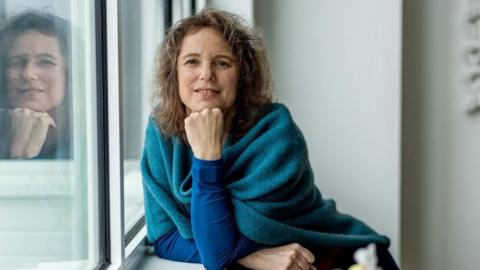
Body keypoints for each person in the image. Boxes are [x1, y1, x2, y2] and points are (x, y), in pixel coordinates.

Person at [141, 9, 399, 270]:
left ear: (242, 75)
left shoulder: (275, 132)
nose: (206, 73)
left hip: (340, 258)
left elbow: (218, 255)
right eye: (192, 61)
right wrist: (252, 256)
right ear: (173, 72)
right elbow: (165, 239)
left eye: (222, 62)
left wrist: (207, 157)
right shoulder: (161, 132)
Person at [0, 11, 72, 159]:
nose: (28, 74)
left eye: (46, 62)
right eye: (16, 62)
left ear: (67, 72)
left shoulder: (91, 140)